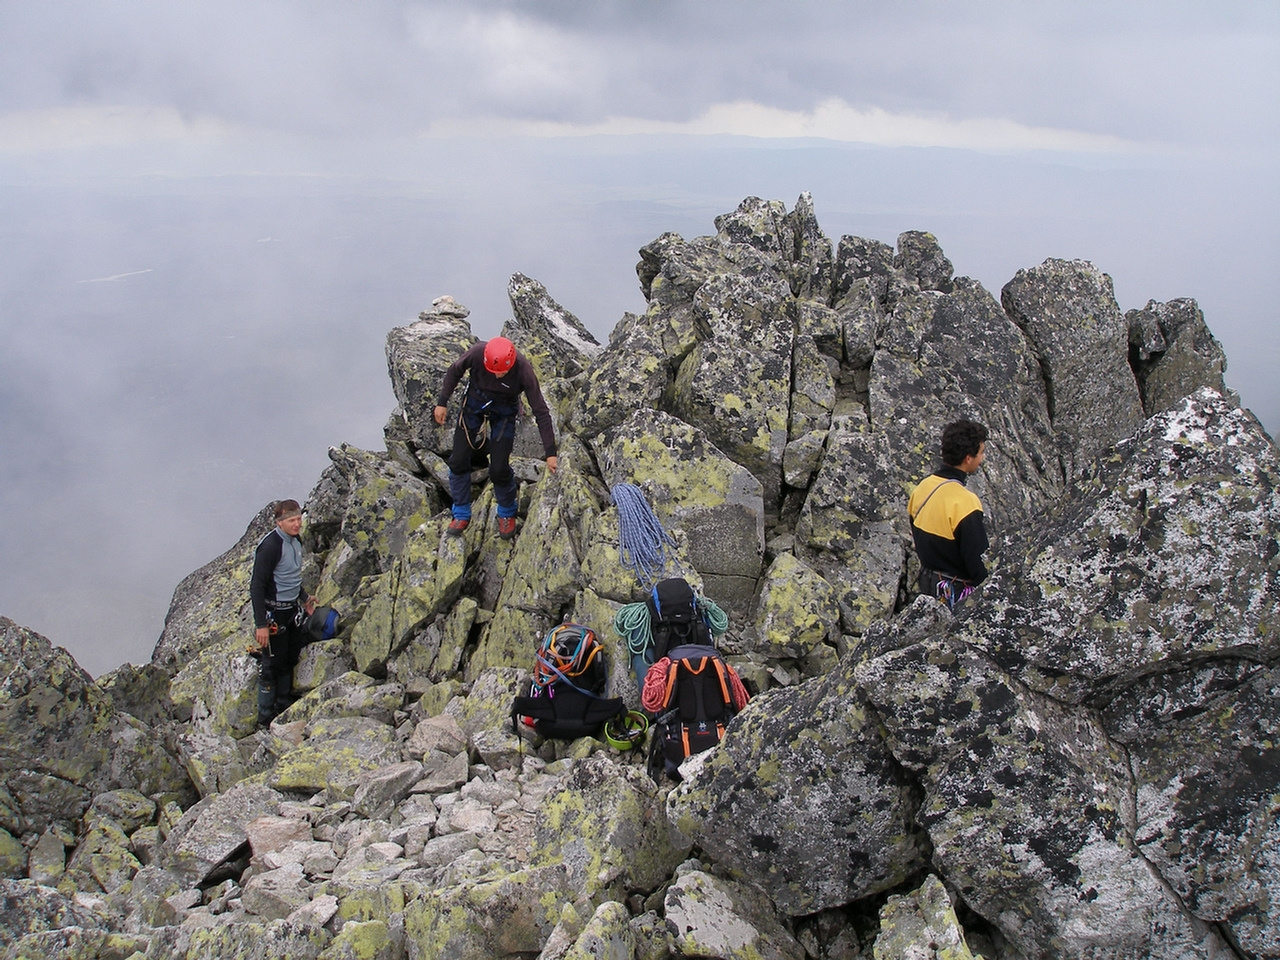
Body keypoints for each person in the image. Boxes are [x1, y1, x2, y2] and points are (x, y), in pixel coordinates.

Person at [433, 336, 558, 540]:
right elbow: (454, 371)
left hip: (504, 413)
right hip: (474, 406)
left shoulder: (523, 368)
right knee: (457, 460)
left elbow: (541, 411)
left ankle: (507, 512)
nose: (498, 375)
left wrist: (550, 453)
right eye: (493, 370)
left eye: (502, 371)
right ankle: (461, 513)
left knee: (499, 468)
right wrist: (442, 402)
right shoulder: (476, 353)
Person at [908, 419, 990, 609]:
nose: (983, 458)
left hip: (928, 584)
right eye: (981, 452)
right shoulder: (965, 502)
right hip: (955, 594)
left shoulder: (922, 488)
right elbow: (978, 563)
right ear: (968, 458)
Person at [250, 499, 316, 727]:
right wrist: (261, 624)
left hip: (291, 611)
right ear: (279, 523)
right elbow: (257, 586)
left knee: (288, 658)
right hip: (273, 614)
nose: (297, 524)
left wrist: (305, 598)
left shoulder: (295, 541)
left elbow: (290, 577)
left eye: (299, 519)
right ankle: (265, 719)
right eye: (291, 521)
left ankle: (283, 707)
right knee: (270, 665)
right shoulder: (270, 547)